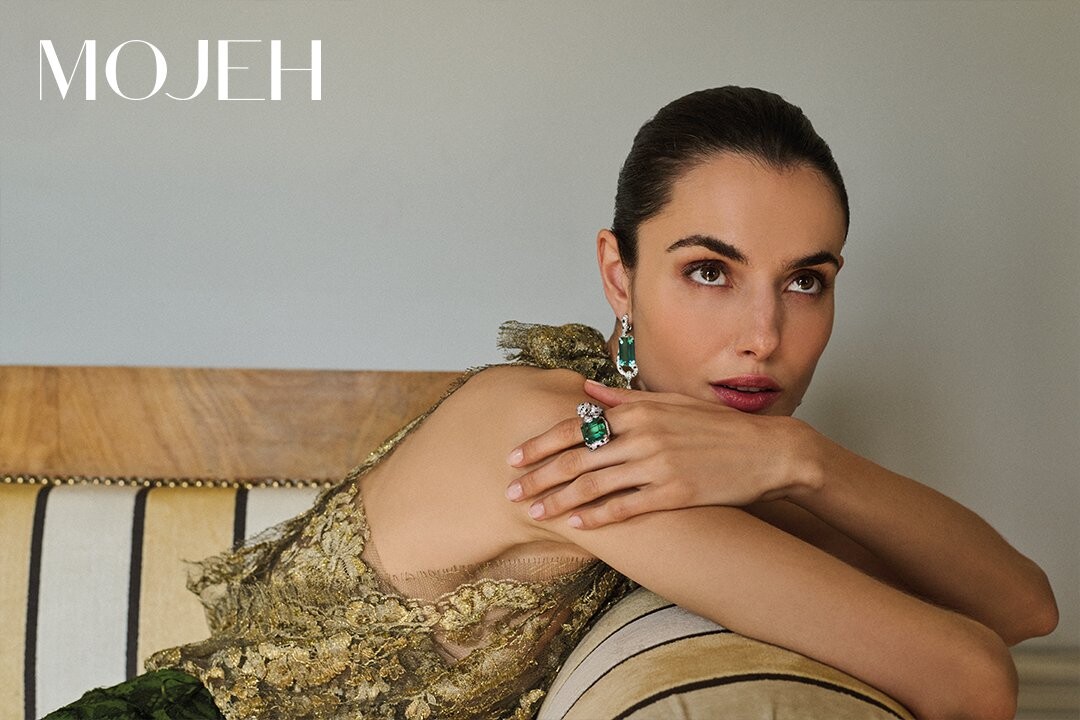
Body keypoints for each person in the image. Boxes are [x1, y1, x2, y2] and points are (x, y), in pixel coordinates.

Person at [46, 86, 1057, 720]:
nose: (764, 334)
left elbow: (1020, 609)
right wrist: (792, 461)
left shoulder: (695, 452)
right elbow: (970, 677)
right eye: (710, 271)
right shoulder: (567, 435)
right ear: (619, 274)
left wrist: (807, 460)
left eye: (806, 280)